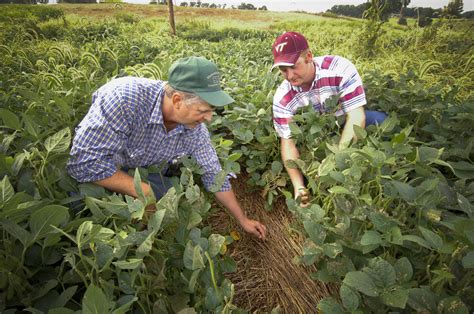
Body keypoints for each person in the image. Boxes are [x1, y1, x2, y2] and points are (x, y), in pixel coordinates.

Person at [67, 56, 267, 240]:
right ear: (178, 100)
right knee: (82, 207)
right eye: (202, 111)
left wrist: (243, 219)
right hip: (107, 165)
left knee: (168, 206)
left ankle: (144, 238)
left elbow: (213, 175)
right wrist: (143, 191)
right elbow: (83, 163)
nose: (208, 118)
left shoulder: (195, 130)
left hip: (145, 168)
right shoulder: (124, 99)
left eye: (211, 111)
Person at [271, 31, 387, 207]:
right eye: (283, 70)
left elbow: (356, 115)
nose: (290, 75)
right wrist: (299, 187)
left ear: (309, 56)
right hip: (317, 134)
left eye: (294, 66)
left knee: (381, 121)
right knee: (309, 167)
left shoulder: (340, 69)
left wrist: (338, 161)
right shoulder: (283, 97)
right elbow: (287, 143)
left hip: (345, 120)